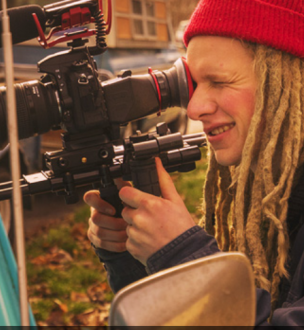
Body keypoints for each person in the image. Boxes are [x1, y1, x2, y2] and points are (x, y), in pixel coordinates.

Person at [85, 0, 304, 325]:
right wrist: (136, 257)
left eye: (219, 81)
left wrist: (185, 258)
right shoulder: (278, 192)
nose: (194, 108)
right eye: (195, 84)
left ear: (289, 80)